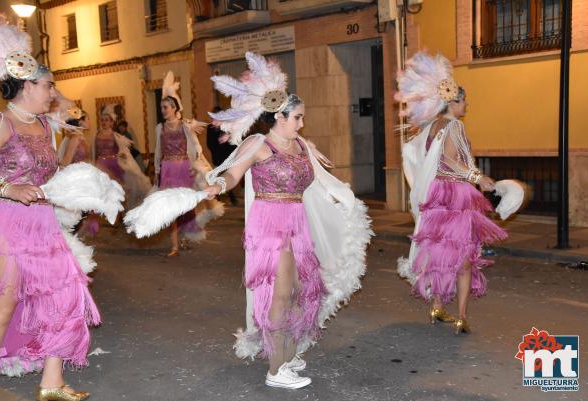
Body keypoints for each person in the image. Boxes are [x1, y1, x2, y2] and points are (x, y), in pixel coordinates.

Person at [204, 52, 372, 389]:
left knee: (297, 291)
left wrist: (310, 150)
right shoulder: (259, 144)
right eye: (297, 117)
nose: (302, 123)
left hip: (297, 223)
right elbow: (235, 173)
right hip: (270, 225)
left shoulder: (297, 144)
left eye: (302, 118)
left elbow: (310, 173)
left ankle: (288, 354)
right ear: (279, 116)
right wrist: (220, 184)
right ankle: (275, 369)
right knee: (280, 295)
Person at [0, 16, 99, 401]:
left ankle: (52, 383)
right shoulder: (1, 122)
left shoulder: (43, 125)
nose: (54, 92)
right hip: (6, 223)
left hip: (43, 222)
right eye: (48, 84)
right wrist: (7, 186)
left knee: (63, 294)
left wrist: (78, 188)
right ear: (26, 85)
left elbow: (47, 174)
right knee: (4, 306)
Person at [395, 52, 507, 334]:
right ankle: (461, 316)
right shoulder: (455, 126)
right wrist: (477, 177)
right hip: (455, 196)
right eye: (464, 100)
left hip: (436, 196)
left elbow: (424, 160)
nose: (466, 105)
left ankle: (435, 307)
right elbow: (451, 160)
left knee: (440, 254)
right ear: (453, 101)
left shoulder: (431, 126)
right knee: (464, 259)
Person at [154, 71, 223, 256]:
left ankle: (183, 239)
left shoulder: (185, 125)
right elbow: (158, 152)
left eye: (166, 107)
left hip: (184, 169)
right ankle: (174, 246)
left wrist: (196, 165)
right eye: (162, 108)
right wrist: (156, 171)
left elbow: (196, 146)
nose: (163, 110)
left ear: (175, 108)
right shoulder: (159, 128)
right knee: (171, 210)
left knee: (185, 208)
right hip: (168, 170)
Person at [206, 106, 238, 205]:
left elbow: (233, 142)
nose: (214, 120)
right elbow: (210, 143)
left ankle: (229, 195)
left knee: (229, 175)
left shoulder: (228, 126)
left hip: (228, 155)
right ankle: (224, 196)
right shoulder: (210, 128)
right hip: (217, 155)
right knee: (221, 176)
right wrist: (217, 148)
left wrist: (232, 153)